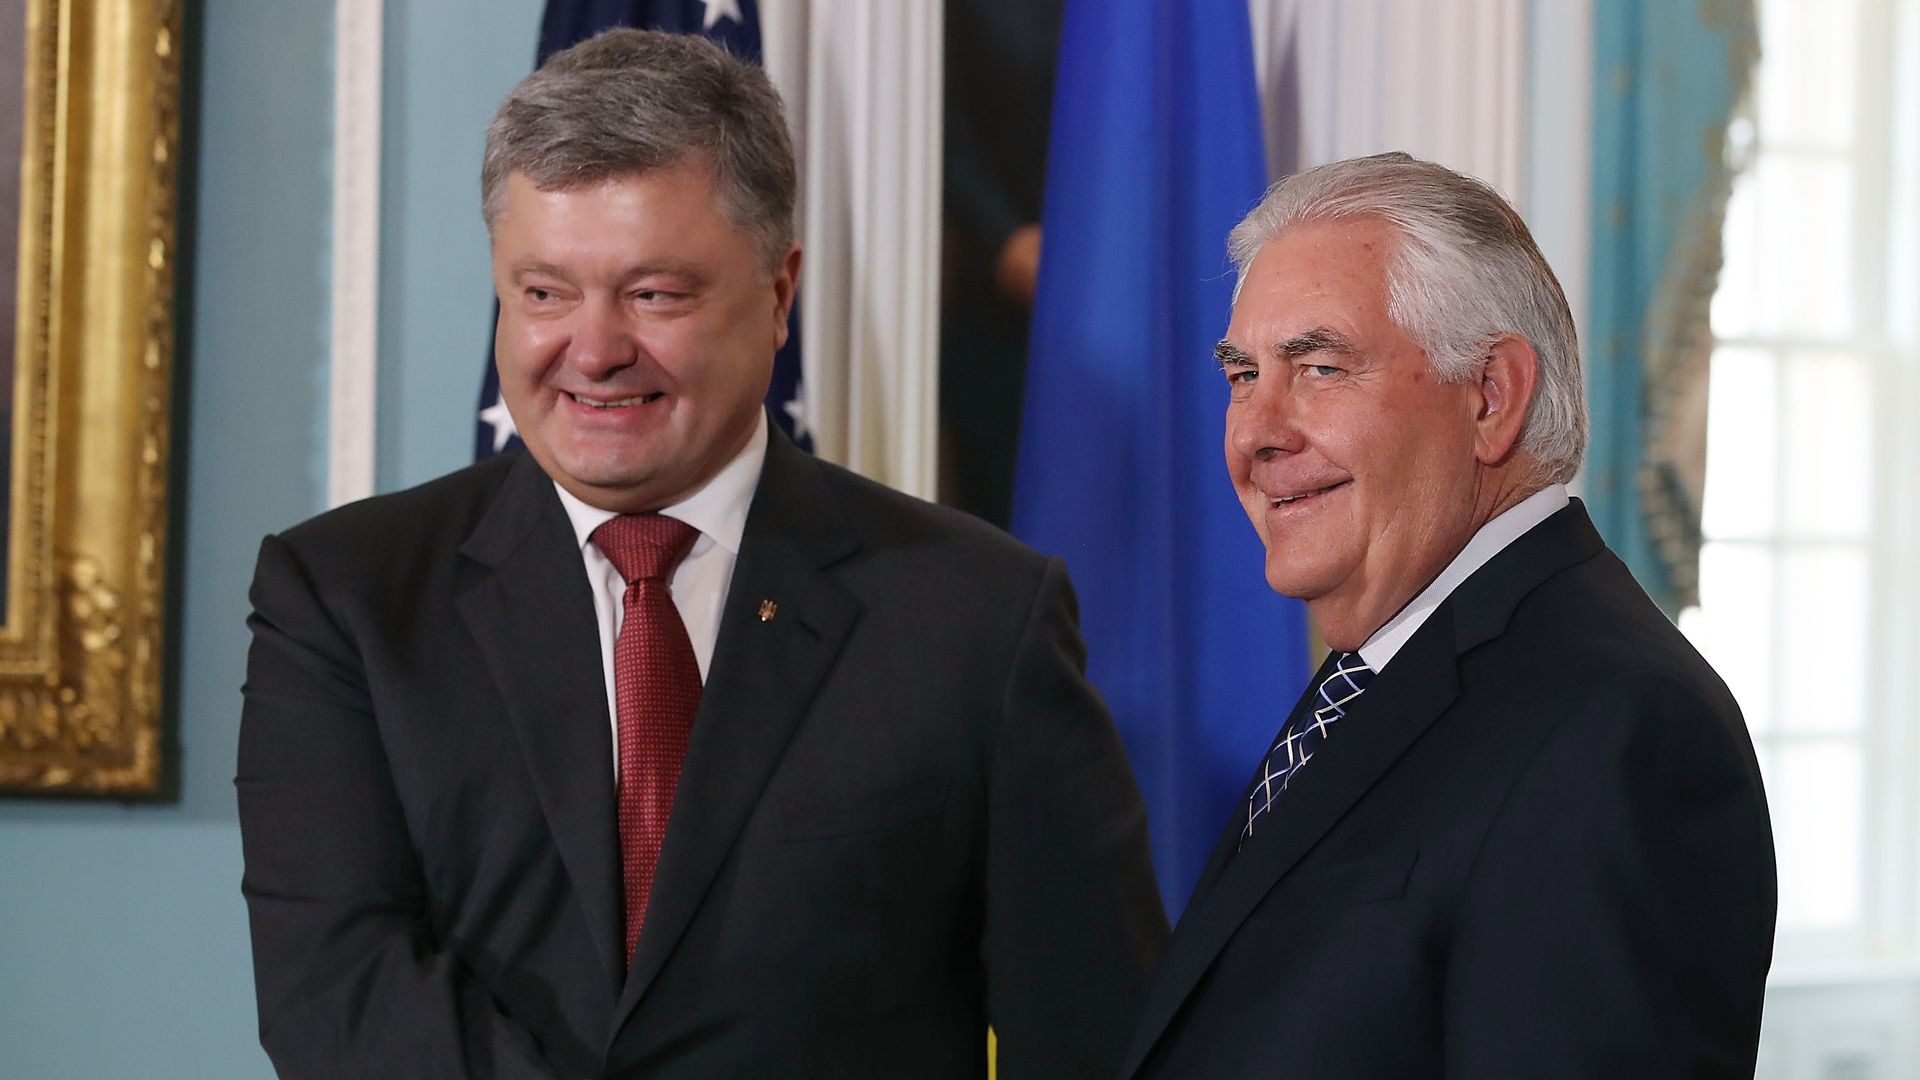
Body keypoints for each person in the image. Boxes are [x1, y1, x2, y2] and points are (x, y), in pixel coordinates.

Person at [237, 29, 1165, 1080]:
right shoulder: (346, 601)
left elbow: (1098, 1042)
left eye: (654, 294)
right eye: (543, 293)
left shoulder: (977, 618)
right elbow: (338, 996)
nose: (593, 351)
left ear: (779, 294)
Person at [1116, 153, 1776, 1078]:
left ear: (1491, 396)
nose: (1256, 432)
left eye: (1319, 368)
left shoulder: (1616, 725)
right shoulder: (1385, 669)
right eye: (1242, 376)